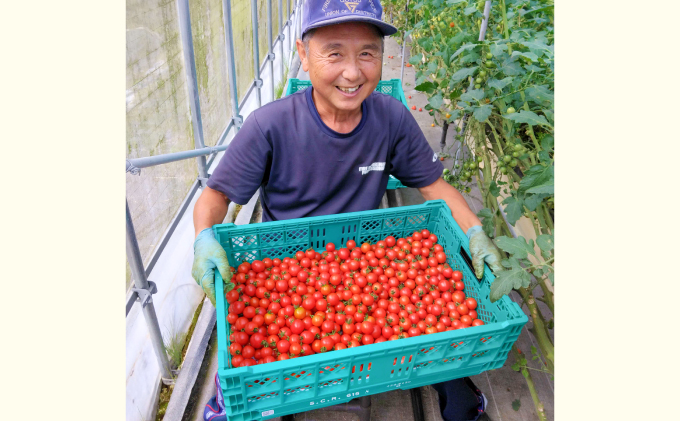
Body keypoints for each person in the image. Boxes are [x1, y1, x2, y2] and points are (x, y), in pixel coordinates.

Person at [192, 1, 502, 420]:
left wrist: (474, 232)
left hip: (367, 260)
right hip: (285, 267)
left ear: (382, 57)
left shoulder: (390, 118)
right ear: (303, 54)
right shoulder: (270, 125)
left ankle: (461, 399)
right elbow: (216, 196)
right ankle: (227, 402)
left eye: (367, 54)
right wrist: (204, 237)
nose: (353, 72)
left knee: (437, 323)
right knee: (251, 354)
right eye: (334, 53)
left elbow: (434, 185)